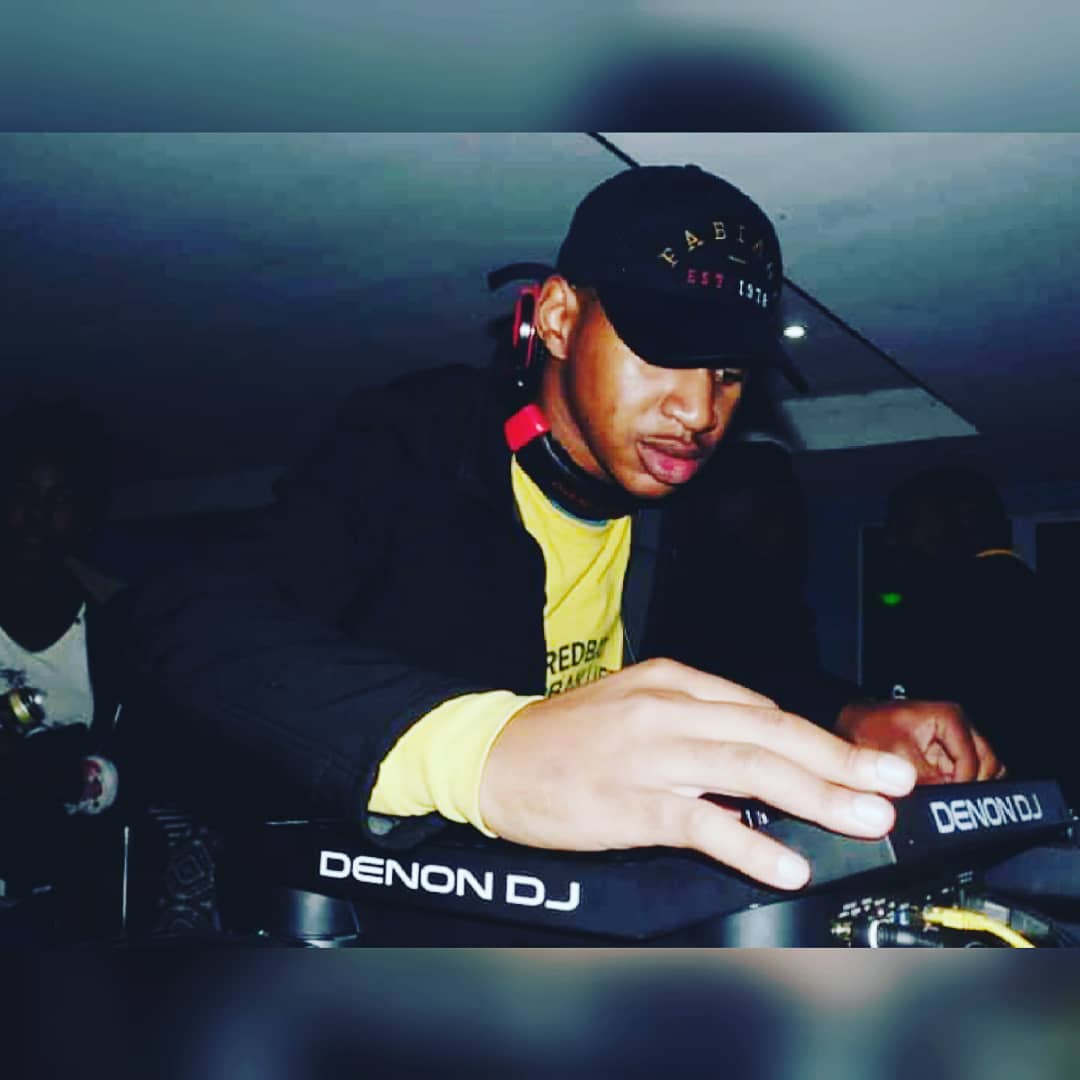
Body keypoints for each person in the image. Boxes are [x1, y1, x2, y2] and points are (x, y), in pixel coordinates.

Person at [122, 164, 1000, 894]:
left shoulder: (679, 520)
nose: (700, 411)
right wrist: (487, 753)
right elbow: (182, 619)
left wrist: (856, 716)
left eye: (729, 373)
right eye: (663, 352)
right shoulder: (414, 441)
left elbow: (743, 660)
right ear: (556, 318)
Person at [869, 466, 1067, 796]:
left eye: (907, 523)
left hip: (974, 799)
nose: (893, 539)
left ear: (965, 519)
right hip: (1049, 800)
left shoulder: (941, 603)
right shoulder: (1048, 599)